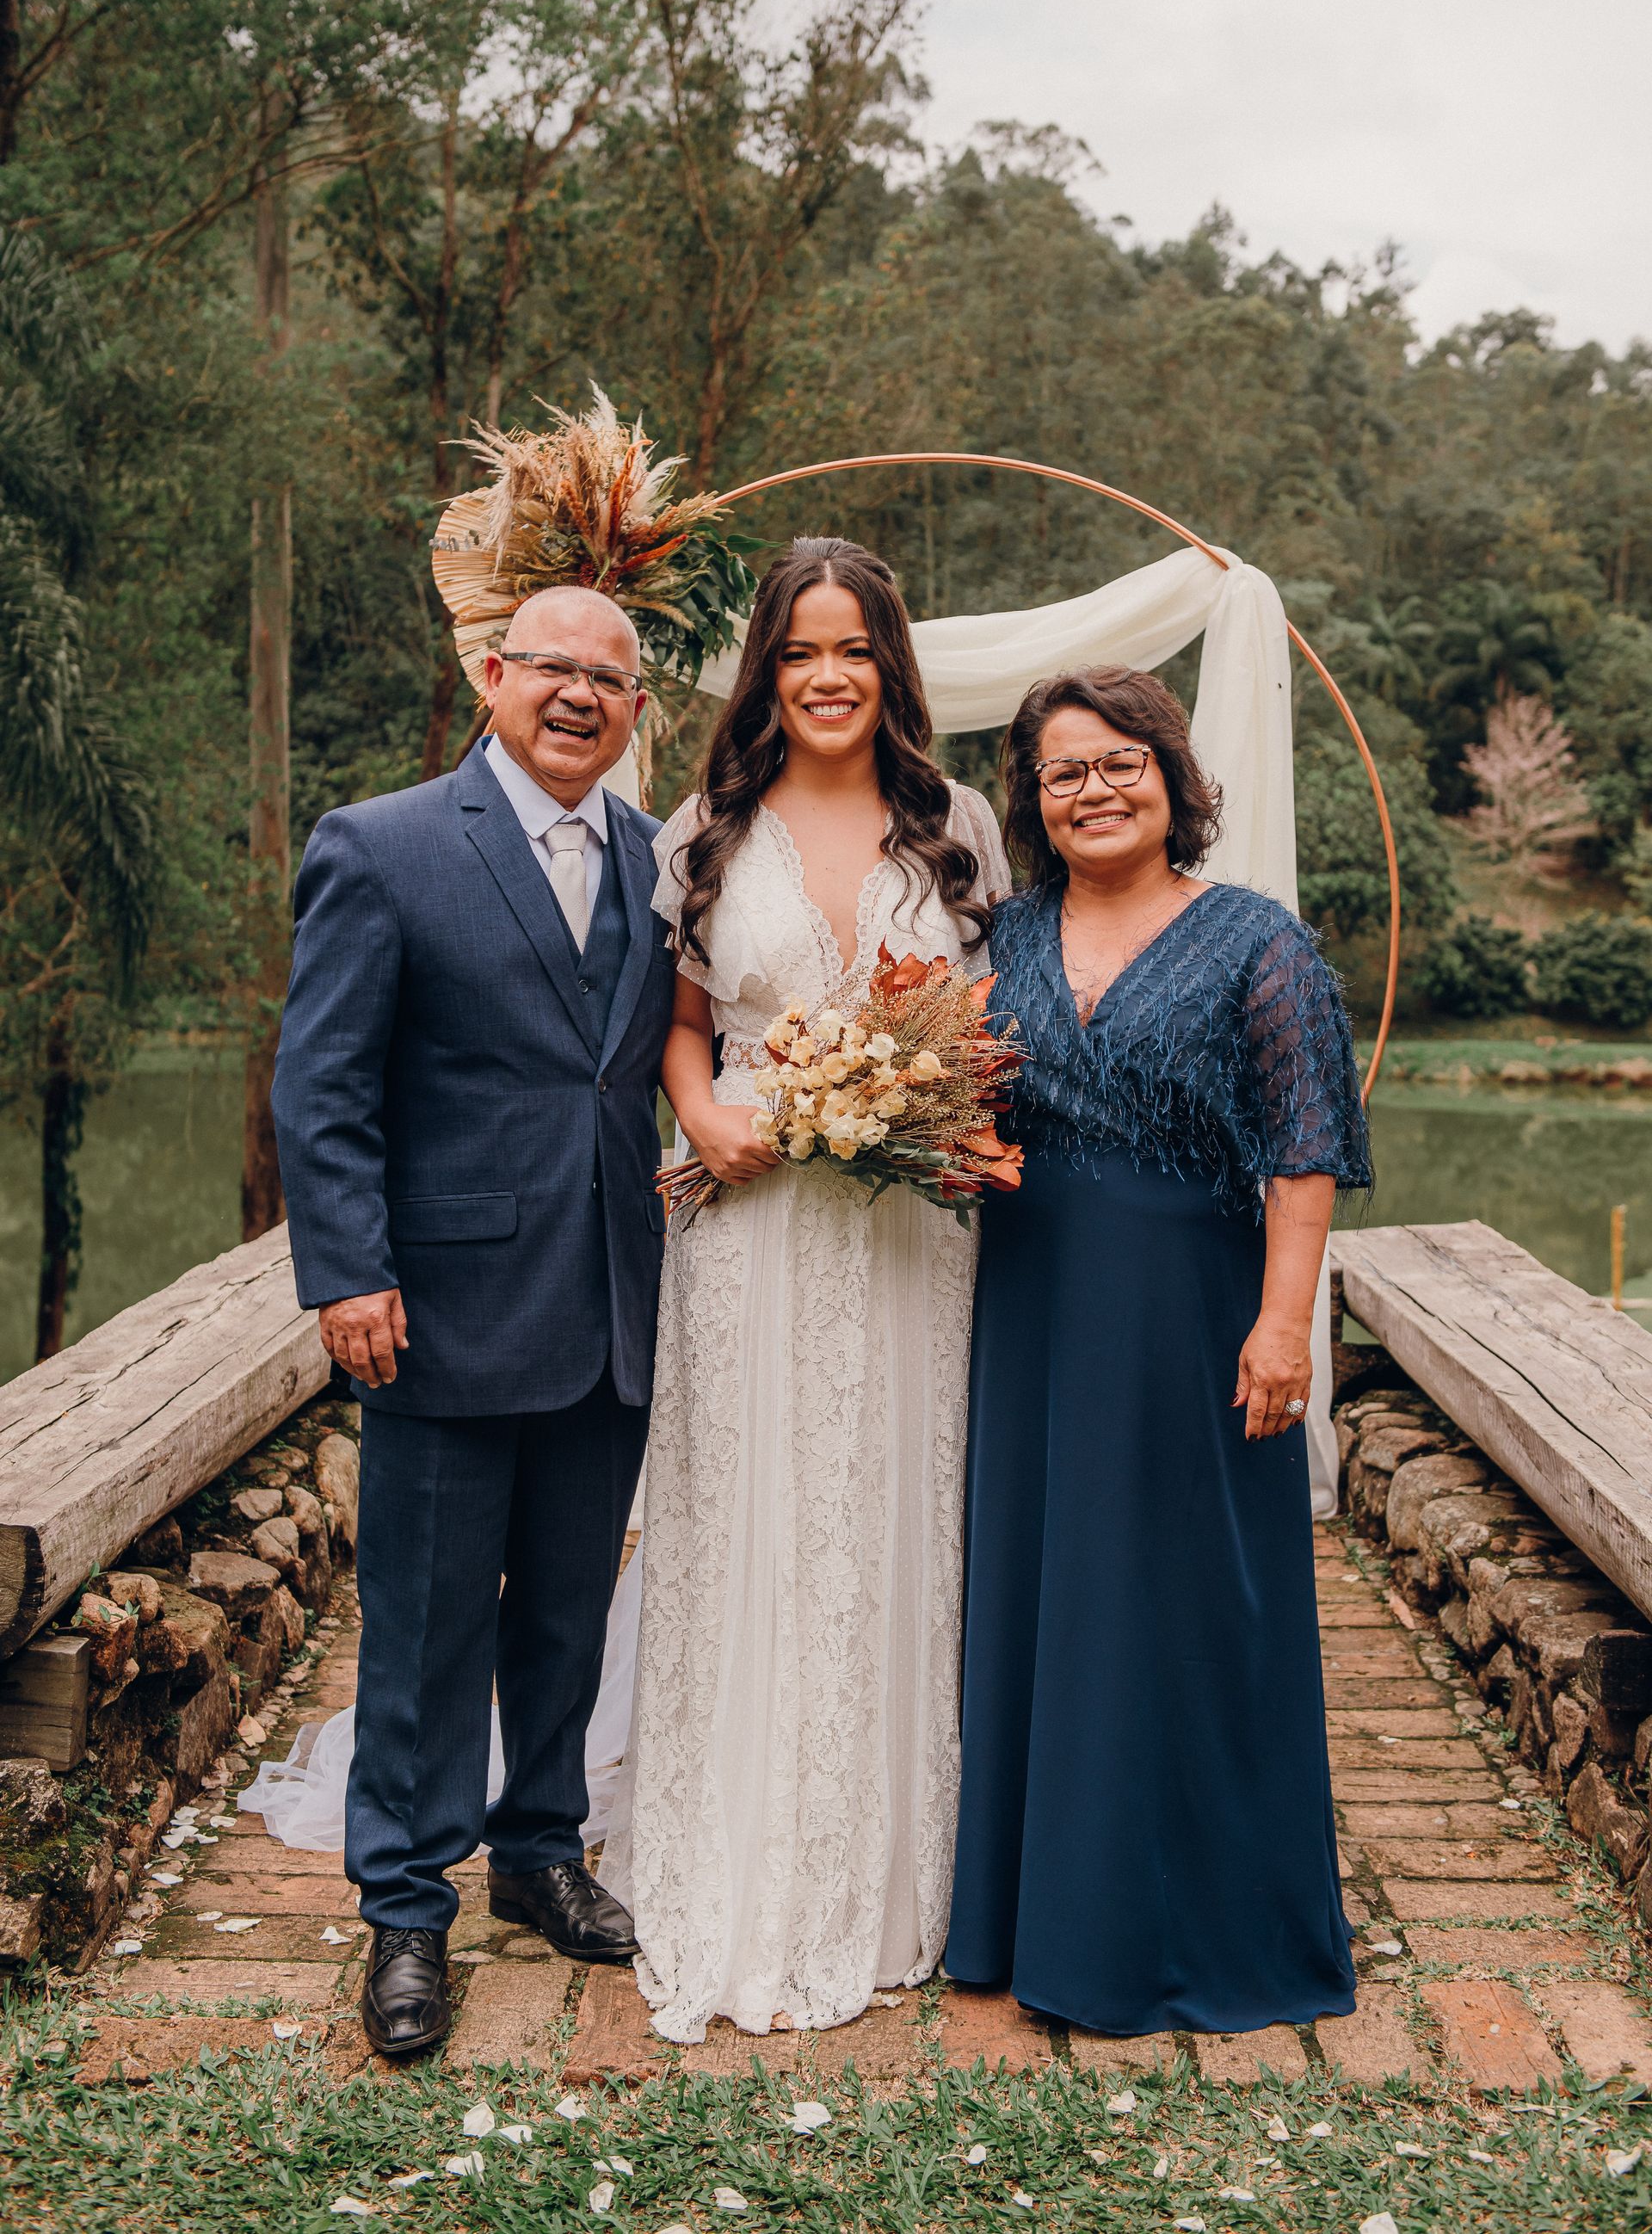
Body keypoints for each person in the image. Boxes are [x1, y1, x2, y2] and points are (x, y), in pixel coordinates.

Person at [601, 537, 1010, 2044]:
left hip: (910, 1234)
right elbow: (681, 1028)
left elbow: (979, 1030)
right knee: (752, 1515)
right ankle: (733, 1853)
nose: (827, 677)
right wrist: (705, 1116)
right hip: (749, 1223)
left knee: (895, 1518)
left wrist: (920, 1116)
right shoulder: (702, 829)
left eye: (852, 651)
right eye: (798, 651)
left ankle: (893, 1867)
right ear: (764, 669)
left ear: (889, 668)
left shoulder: (953, 824)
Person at [270, 586, 678, 2058]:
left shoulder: (657, 855)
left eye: (611, 678)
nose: (581, 695)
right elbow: (322, 1084)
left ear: (638, 709)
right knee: (430, 1624)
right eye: (554, 669)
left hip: (611, 1303)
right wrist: (347, 1271)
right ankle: (403, 1906)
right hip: (434, 1305)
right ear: (493, 677)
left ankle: (539, 1851)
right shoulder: (379, 845)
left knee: (568, 1611)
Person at [946, 664, 1371, 2036]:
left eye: (1122, 760)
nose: (1094, 787)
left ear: (1173, 780)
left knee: (1188, 1600)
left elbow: (1307, 1154)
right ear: (1032, 800)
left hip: (1194, 1299)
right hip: (1029, 1298)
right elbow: (963, 1100)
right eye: (1064, 771)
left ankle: (1195, 1921)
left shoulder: (1259, 942)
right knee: (1046, 1592)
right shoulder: (1001, 938)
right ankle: (1033, 1918)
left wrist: (1283, 1321)